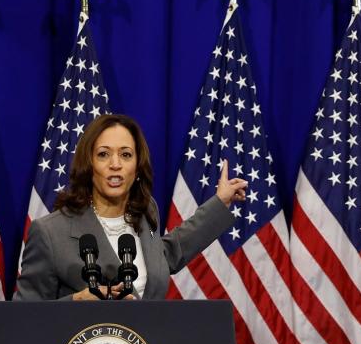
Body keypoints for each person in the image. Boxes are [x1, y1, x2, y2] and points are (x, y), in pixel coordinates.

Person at [15, 113, 247, 301]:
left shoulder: (145, 211)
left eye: (126, 155)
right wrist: (75, 303)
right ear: (89, 164)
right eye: (104, 154)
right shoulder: (50, 233)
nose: (115, 164)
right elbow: (24, 318)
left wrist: (220, 202)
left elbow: (165, 256)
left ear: (137, 168)